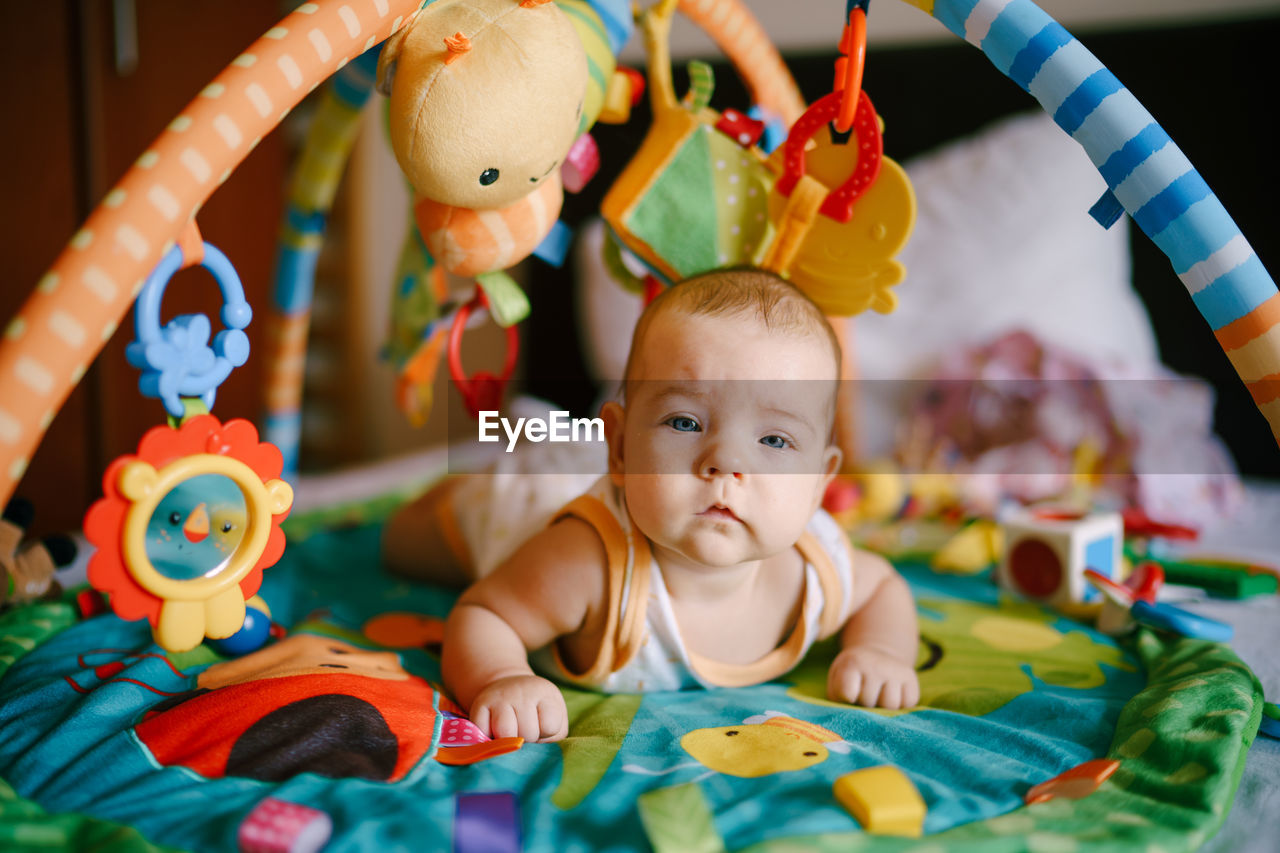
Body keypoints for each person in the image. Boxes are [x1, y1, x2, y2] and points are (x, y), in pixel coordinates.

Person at [384, 267, 919, 743]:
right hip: (520, 505)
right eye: (685, 423)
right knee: (402, 543)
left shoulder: (815, 572)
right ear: (618, 447)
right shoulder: (587, 563)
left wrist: (881, 651)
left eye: (775, 441)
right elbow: (485, 612)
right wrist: (501, 676)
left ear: (820, 481)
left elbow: (884, 587)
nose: (725, 464)